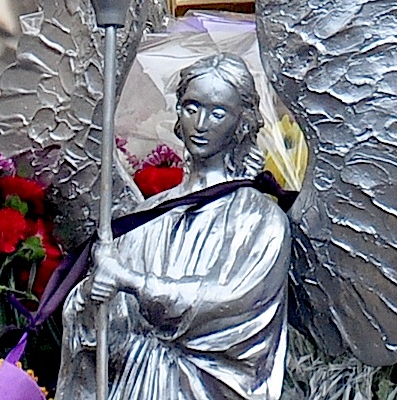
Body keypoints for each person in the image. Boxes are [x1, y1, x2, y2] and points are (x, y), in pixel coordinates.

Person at [66, 53, 291, 400]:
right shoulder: (147, 216)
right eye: (191, 107)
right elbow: (115, 328)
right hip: (137, 384)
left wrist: (133, 282)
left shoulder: (260, 220)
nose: (200, 123)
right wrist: (91, 299)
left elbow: (232, 303)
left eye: (218, 113)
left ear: (242, 123)